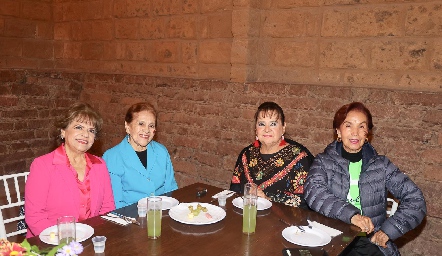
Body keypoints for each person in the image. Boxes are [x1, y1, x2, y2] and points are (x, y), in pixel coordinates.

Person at [304, 102, 426, 256]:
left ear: (367, 133)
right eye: (348, 125)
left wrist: (388, 231)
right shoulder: (323, 162)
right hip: (332, 239)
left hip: (369, 242)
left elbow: (416, 200)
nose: (355, 133)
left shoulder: (381, 165)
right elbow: (314, 192)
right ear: (338, 131)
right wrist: (352, 216)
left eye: (361, 126)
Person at [25, 103, 115, 238]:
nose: (85, 134)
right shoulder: (42, 165)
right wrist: (65, 242)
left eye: (91, 130)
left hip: (91, 238)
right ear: (63, 131)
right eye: (79, 127)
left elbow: (107, 207)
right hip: (50, 242)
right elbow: (35, 217)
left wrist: (97, 236)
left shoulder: (99, 164)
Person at [230, 102, 314, 208]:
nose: (267, 129)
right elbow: (234, 191)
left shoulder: (300, 158)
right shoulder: (246, 155)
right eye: (261, 124)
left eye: (273, 124)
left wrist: (268, 199)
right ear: (256, 129)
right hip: (247, 216)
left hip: (282, 222)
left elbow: (305, 203)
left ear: (283, 128)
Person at [103, 102, 178, 209]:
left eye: (151, 126)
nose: (146, 130)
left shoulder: (161, 152)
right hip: (129, 218)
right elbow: (115, 203)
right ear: (127, 126)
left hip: (161, 214)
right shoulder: (112, 157)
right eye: (141, 124)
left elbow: (171, 190)